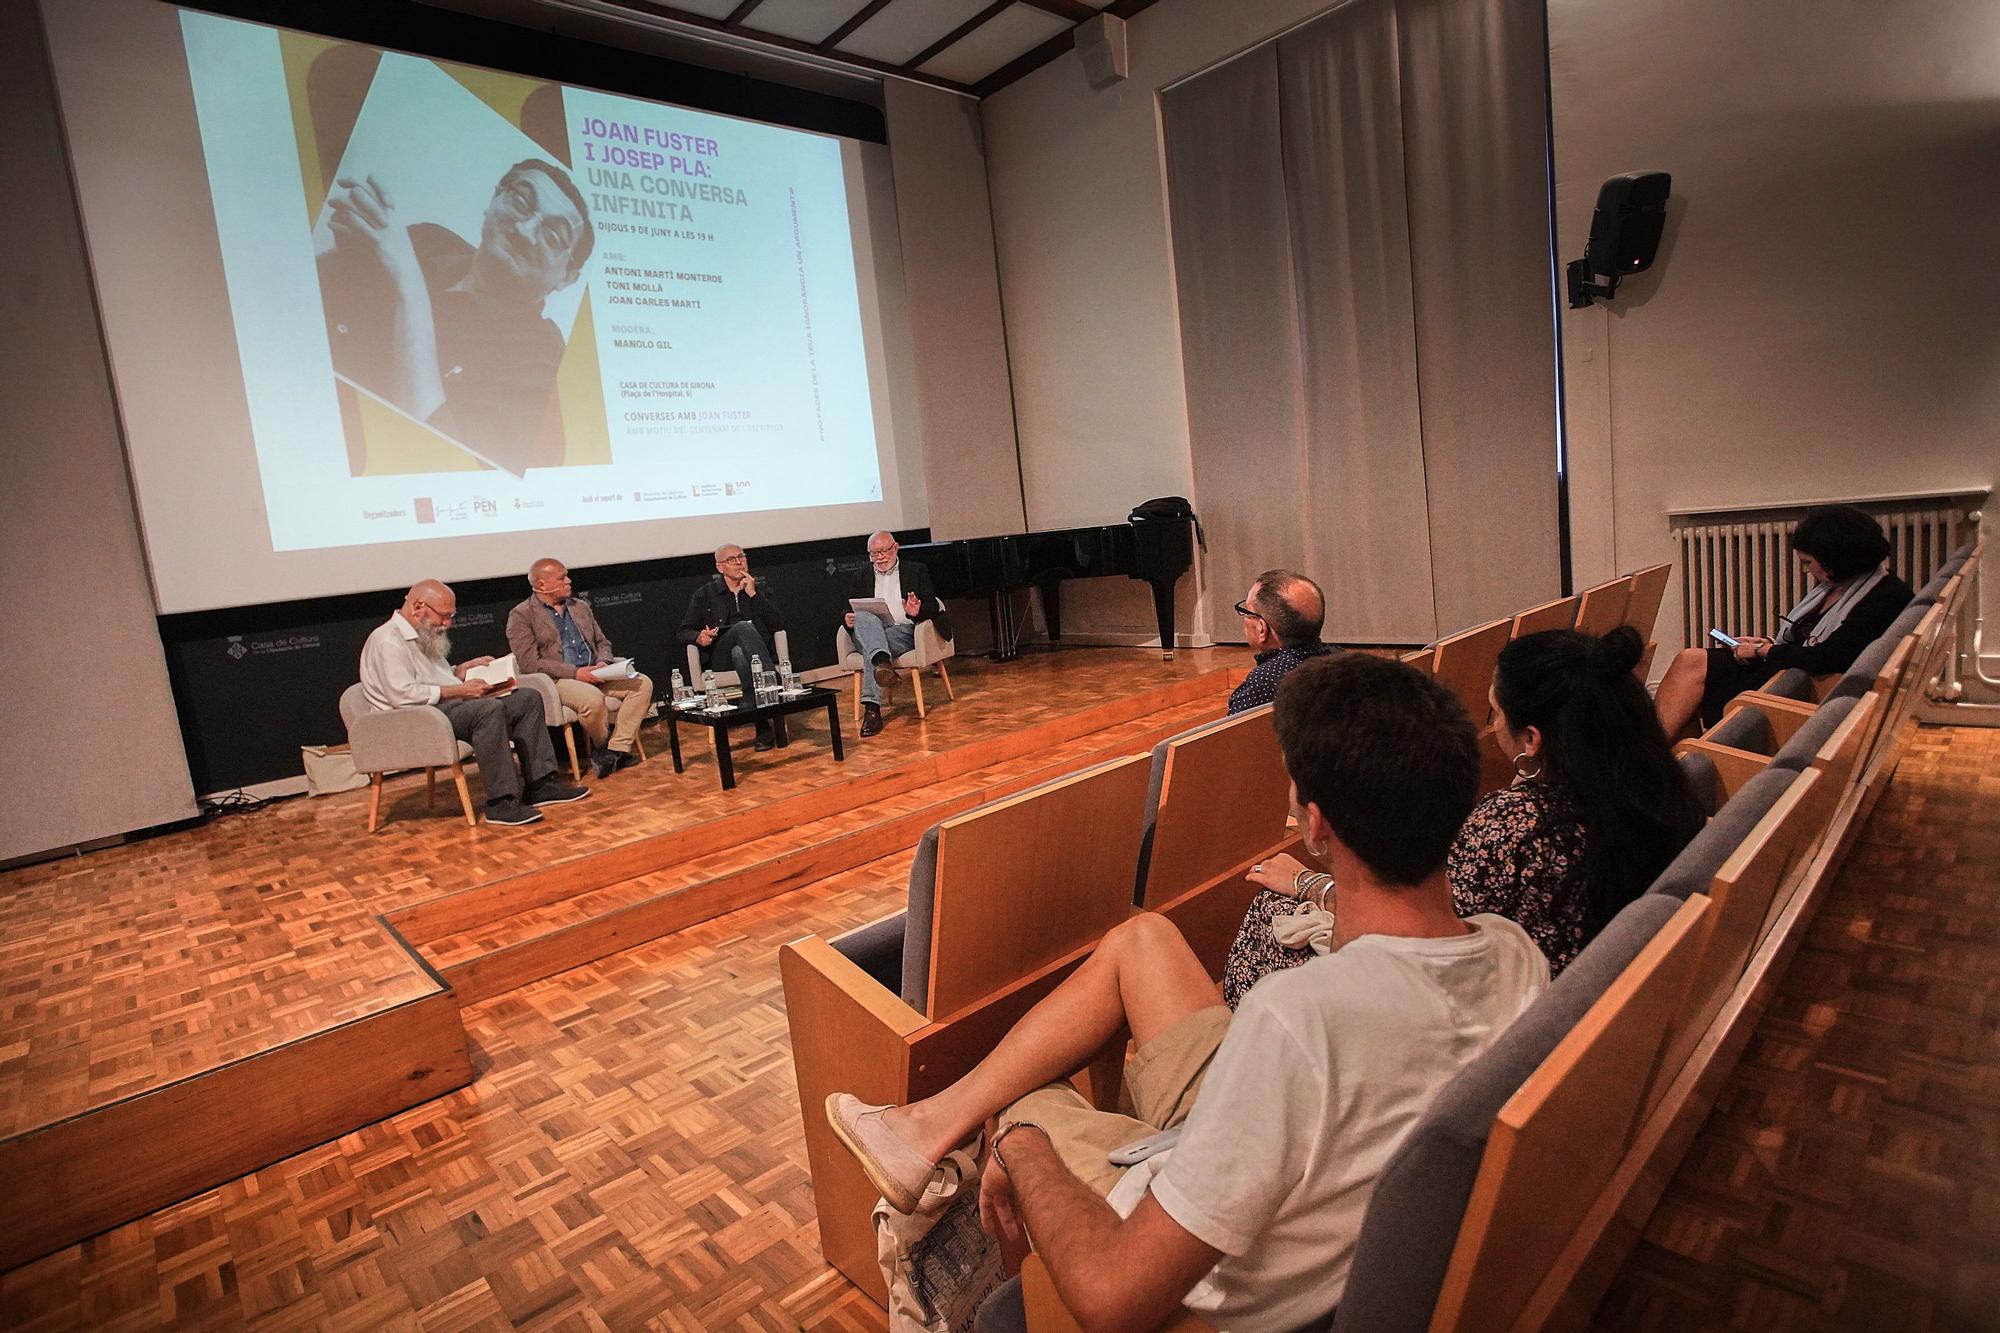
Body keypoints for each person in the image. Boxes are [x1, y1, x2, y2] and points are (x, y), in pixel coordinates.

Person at [824, 655, 1546, 1332]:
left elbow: (1114, 1293)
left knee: (1018, 1103)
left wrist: (1020, 1143)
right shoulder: (1515, 952)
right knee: (1145, 940)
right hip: (1308, 1155)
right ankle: (919, 1131)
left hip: (1182, 1261)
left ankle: (1000, 1282)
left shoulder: (1300, 1019)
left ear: (1315, 820)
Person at [1228, 626, 1703, 1002]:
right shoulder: (1659, 787)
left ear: (1532, 739)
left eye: (1495, 713)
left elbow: (1425, 924)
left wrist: (1312, 883)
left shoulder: (1515, 826)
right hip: (1585, 997)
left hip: (1493, 1005)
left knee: (1270, 911)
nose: (1491, 724)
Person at [317, 158, 594, 473]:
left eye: (553, 237)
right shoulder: (430, 240)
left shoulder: (545, 360)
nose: (524, 229)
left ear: (566, 278)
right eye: (520, 202)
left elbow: (448, 461)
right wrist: (352, 233)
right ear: (494, 199)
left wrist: (409, 279)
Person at [1655, 505, 1913, 737]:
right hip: (1792, 670)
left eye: (1808, 562)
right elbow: (1813, 639)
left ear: (1836, 560)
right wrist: (1766, 643)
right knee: (1689, 662)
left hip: (1800, 687)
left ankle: (1650, 764)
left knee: (1690, 683)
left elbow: (1829, 657)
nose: (1805, 570)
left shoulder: (1884, 599)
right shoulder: (1846, 585)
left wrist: (1765, 650)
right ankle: (1669, 766)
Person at [360, 579, 588, 826]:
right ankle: (501, 802)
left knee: (527, 698)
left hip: (436, 709)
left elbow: (432, 678)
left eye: (452, 616)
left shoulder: (421, 633)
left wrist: (462, 670)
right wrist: (461, 690)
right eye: (444, 616)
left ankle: (540, 784)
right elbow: (403, 695)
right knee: (487, 710)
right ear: (418, 606)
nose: (448, 623)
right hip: (411, 720)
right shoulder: (388, 642)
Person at [506, 558, 655, 780]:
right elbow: (529, 663)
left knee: (642, 684)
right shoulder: (521, 615)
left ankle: (617, 749)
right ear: (541, 584)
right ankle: (601, 746)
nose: (569, 581)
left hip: (596, 672)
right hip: (558, 679)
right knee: (592, 700)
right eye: (561, 578)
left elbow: (603, 642)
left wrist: (604, 663)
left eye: (567, 575)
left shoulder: (580, 607)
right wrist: (575, 673)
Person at [842, 531, 953, 737]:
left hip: (902, 631)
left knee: (872, 651)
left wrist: (916, 611)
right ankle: (883, 664)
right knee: (865, 618)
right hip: (870, 631)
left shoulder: (916, 570)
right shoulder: (861, 575)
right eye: (874, 553)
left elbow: (933, 605)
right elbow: (847, 607)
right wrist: (847, 619)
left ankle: (872, 710)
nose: (880, 557)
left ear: (896, 548)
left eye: (884, 551)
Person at [679, 544, 787, 750]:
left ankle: (761, 724)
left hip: (754, 654)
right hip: (720, 656)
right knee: (741, 629)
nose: (739, 562)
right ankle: (772, 682)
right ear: (720, 567)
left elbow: (778, 624)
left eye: (741, 557)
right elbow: (683, 631)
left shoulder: (758, 588)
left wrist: (754, 595)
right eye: (731, 560)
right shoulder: (706, 594)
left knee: (741, 653)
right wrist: (699, 636)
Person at [1226, 570, 1336, 715]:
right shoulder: (1338, 658)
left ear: (1262, 629)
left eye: (1247, 612)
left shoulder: (1263, 683)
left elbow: (1231, 735)